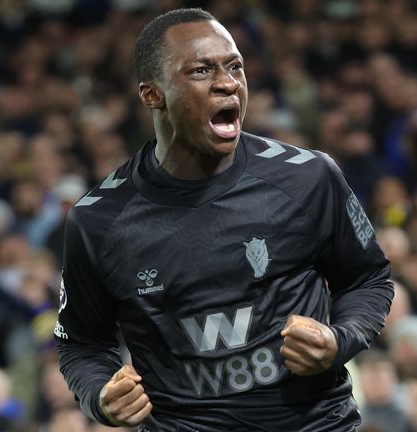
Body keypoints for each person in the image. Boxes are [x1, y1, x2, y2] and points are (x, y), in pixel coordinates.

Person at [55, 8, 393, 432]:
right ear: (152, 94)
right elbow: (81, 343)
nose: (228, 83)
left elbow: (368, 278)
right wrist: (101, 397)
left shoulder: (308, 178)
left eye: (235, 66)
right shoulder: (98, 220)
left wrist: (339, 340)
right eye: (201, 70)